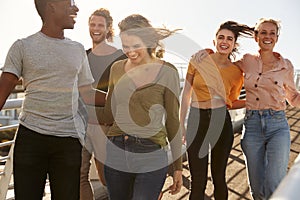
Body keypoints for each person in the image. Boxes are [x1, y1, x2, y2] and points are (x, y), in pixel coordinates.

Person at [0, 0, 106, 199]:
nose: (76, 8)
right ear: (52, 6)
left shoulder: (77, 50)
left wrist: (125, 99)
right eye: (70, 3)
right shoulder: (22, 46)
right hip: (31, 139)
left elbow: (87, 93)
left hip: (68, 141)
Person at [194, 18, 300, 200]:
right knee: (257, 188)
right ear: (255, 36)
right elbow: (224, 68)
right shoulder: (246, 61)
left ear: (277, 38)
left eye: (272, 33)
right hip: (252, 126)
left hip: (278, 125)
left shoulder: (286, 66)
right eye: (263, 32)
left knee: (275, 183)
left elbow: (294, 98)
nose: (268, 37)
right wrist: (206, 54)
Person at [88, 14, 183, 200]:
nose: (130, 52)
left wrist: (177, 167)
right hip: (116, 150)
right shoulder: (116, 68)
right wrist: (75, 104)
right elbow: (108, 112)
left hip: (151, 152)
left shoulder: (167, 72)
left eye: (135, 46)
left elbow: (173, 121)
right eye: (125, 46)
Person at [180, 21, 254, 200]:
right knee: (197, 181)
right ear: (214, 41)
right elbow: (186, 94)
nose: (224, 41)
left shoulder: (236, 72)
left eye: (229, 38)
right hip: (197, 120)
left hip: (221, 122)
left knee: (219, 178)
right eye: (221, 37)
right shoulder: (198, 59)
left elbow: (232, 101)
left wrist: (251, 101)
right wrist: (181, 124)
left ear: (234, 44)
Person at [80, 8, 127, 200]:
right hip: (80, 126)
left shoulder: (121, 57)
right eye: (92, 24)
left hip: (106, 128)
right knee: (80, 177)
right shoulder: (81, 56)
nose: (96, 28)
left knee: (110, 178)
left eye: (100, 25)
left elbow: (124, 95)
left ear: (108, 29)